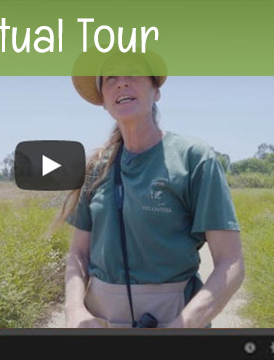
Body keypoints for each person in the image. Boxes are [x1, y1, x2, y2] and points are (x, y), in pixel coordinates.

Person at [58, 51, 245, 328]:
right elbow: (78, 254)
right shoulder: (96, 168)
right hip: (101, 320)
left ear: (156, 90)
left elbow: (230, 262)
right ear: (104, 102)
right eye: (110, 78)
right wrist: (75, 311)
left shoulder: (193, 158)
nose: (121, 83)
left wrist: (183, 325)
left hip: (173, 317)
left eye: (133, 73)